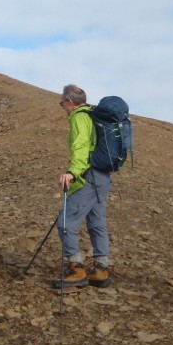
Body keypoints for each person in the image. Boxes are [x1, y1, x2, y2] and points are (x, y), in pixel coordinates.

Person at [54, 84, 112, 288]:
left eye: (62, 103)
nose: (63, 107)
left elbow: (81, 147)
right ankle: (101, 270)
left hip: (88, 176)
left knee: (65, 223)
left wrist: (72, 172)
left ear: (70, 102)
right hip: (103, 177)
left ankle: (76, 269)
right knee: (97, 222)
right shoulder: (94, 115)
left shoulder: (79, 117)